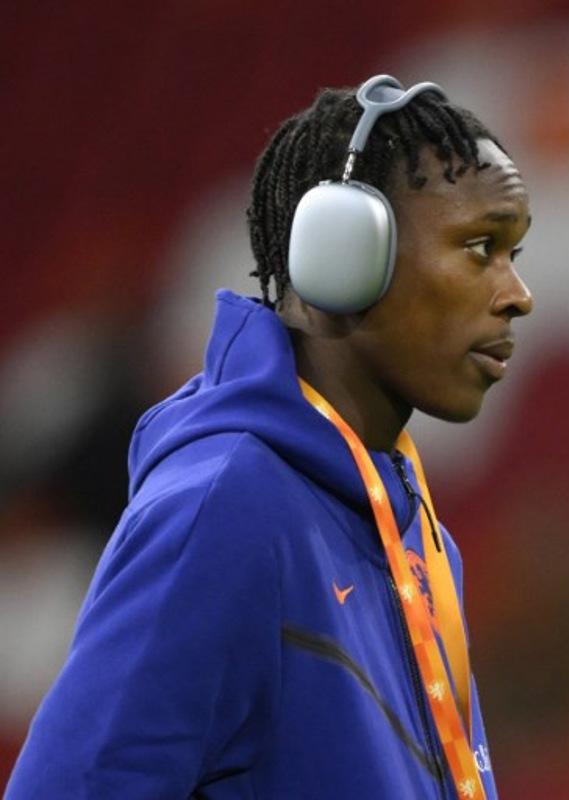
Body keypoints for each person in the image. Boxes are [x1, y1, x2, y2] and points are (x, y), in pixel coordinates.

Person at [6, 75, 531, 799]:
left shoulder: (421, 541)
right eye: (477, 248)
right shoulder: (225, 509)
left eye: (512, 253)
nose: (516, 294)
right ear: (345, 261)